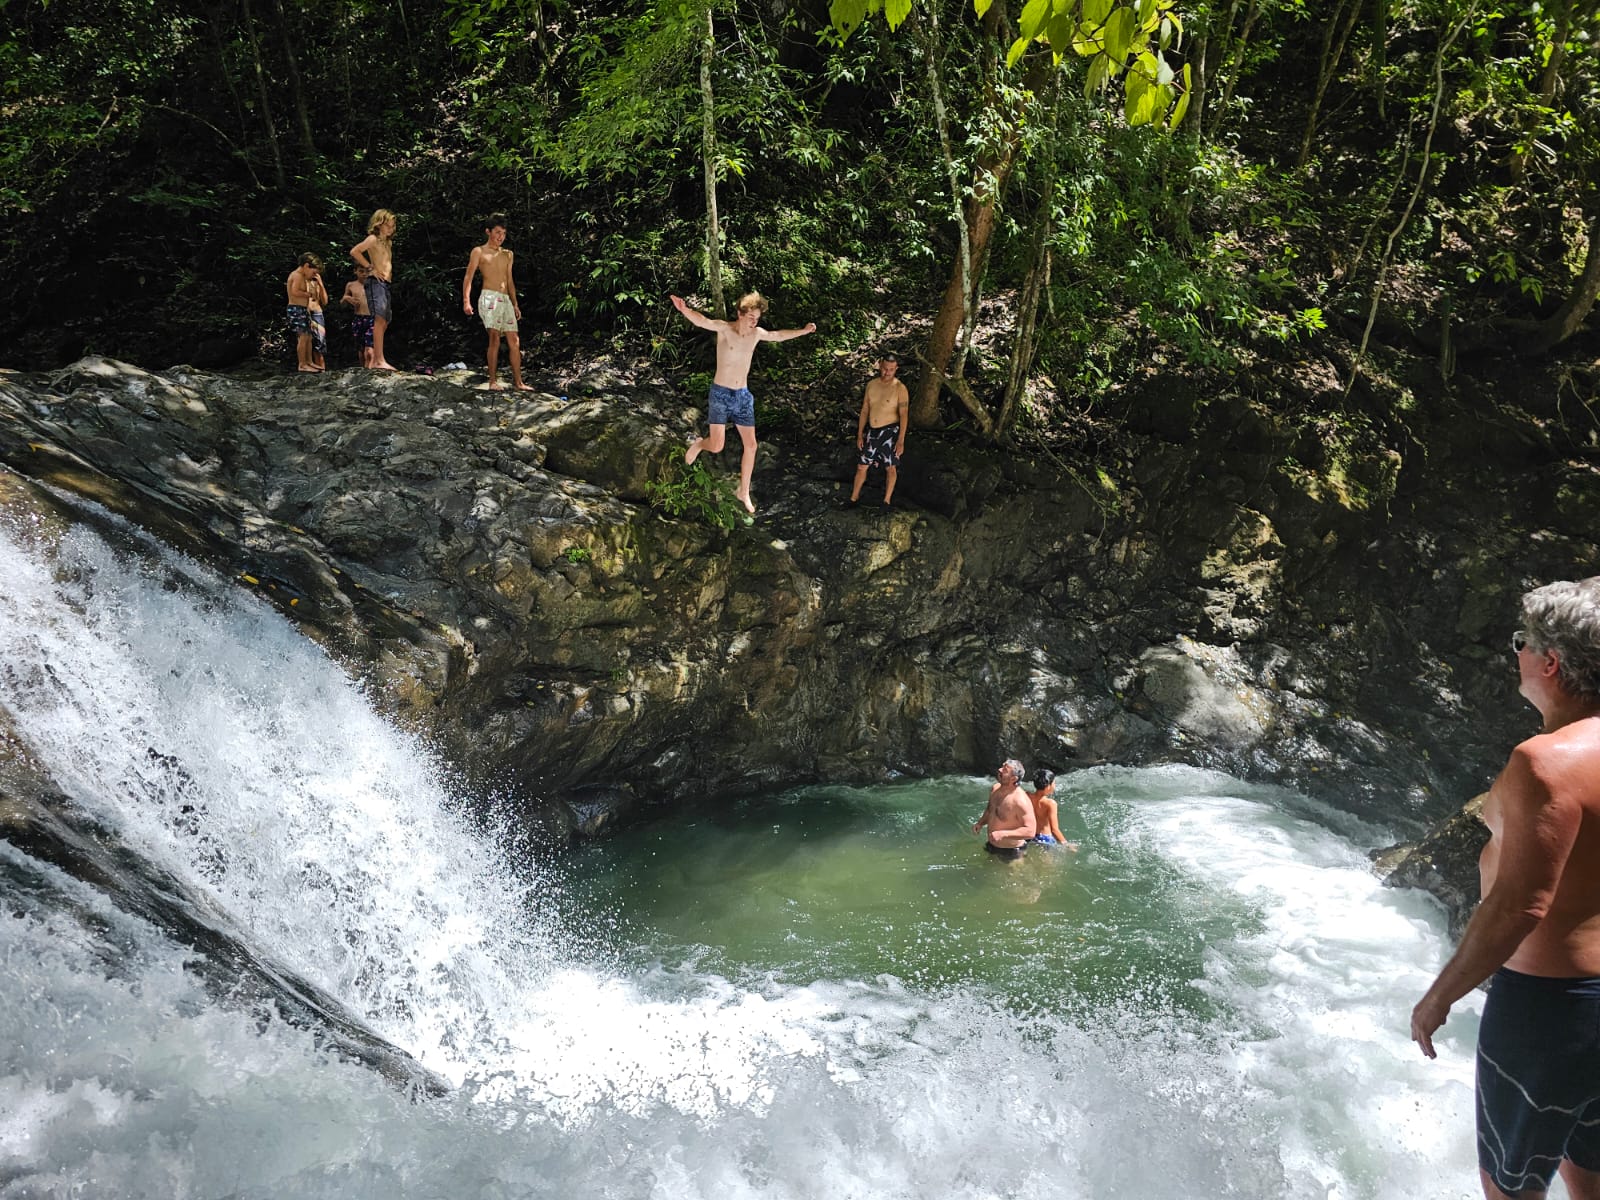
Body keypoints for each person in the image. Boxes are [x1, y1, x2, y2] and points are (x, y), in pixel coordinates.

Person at [1411, 577, 1600, 1200]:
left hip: (1549, 1010)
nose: (1516, 652)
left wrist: (1439, 997)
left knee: (1511, 1188)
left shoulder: (1545, 762)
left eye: (1524, 642)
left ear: (1551, 662)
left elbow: (1521, 904)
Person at [669, 291, 816, 516]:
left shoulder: (756, 334)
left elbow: (778, 335)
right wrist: (684, 309)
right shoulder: (725, 329)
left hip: (743, 396)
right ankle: (699, 445)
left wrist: (803, 331)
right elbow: (703, 321)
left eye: (757, 318)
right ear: (740, 313)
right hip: (720, 394)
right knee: (716, 446)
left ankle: (743, 491)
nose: (754, 322)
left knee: (752, 445)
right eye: (750, 317)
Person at [461, 214, 529, 391]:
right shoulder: (479, 251)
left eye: (504, 233)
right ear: (488, 232)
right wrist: (466, 301)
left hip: (505, 299)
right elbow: (468, 277)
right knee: (494, 338)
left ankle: (519, 382)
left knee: (514, 340)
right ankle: (492, 381)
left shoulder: (508, 254)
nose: (501, 236)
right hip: (489, 297)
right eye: (498, 232)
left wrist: (515, 304)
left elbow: (510, 280)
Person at [850, 352, 909, 506]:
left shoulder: (900, 388)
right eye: (884, 368)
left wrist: (901, 441)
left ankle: (886, 501)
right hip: (872, 431)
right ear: (880, 366)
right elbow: (865, 410)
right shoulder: (872, 385)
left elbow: (904, 415)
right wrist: (860, 434)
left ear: (896, 369)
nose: (887, 372)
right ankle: (853, 498)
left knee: (890, 467)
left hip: (890, 431)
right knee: (862, 465)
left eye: (891, 369)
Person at [350, 209, 398, 370]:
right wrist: (371, 268)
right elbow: (355, 251)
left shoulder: (388, 242)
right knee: (379, 319)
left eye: (392, 225)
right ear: (379, 224)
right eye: (387, 225)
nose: (390, 228)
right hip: (375, 282)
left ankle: (378, 357)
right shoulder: (373, 239)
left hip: (385, 283)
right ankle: (378, 360)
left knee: (384, 321)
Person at [972, 759, 1036, 862]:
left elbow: (1030, 831)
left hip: (1013, 851)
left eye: (1005, 770)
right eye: (1002, 766)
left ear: (1013, 778)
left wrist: (1002, 834)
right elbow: (990, 810)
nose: (1000, 770)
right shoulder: (995, 789)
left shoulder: (1020, 801)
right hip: (992, 845)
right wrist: (980, 823)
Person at [284, 253, 324, 372]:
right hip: (296, 309)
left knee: (309, 336)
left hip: (303, 309)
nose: (313, 275)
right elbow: (295, 291)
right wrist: (308, 294)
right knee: (303, 336)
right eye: (313, 272)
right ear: (306, 266)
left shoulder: (302, 276)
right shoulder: (297, 275)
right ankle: (302, 364)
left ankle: (309, 361)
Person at [1026, 768, 1079, 851]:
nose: (1055, 785)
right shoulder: (1050, 803)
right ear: (1048, 786)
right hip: (1045, 839)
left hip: (1030, 836)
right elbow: (1055, 830)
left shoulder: (1027, 796)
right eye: (1054, 783)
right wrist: (1066, 844)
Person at [341, 264, 374, 368]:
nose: (364, 274)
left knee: (369, 348)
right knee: (361, 348)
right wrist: (347, 298)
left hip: (372, 318)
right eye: (361, 271)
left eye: (367, 271)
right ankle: (363, 370)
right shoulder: (351, 285)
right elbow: (342, 304)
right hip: (358, 318)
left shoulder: (375, 285)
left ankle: (369, 369)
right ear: (355, 271)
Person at [307, 267, 329, 371]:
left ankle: (322, 369)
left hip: (317, 313)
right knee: (306, 341)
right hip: (305, 313)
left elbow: (325, 301)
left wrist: (320, 283)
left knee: (319, 343)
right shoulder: (301, 281)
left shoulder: (317, 283)